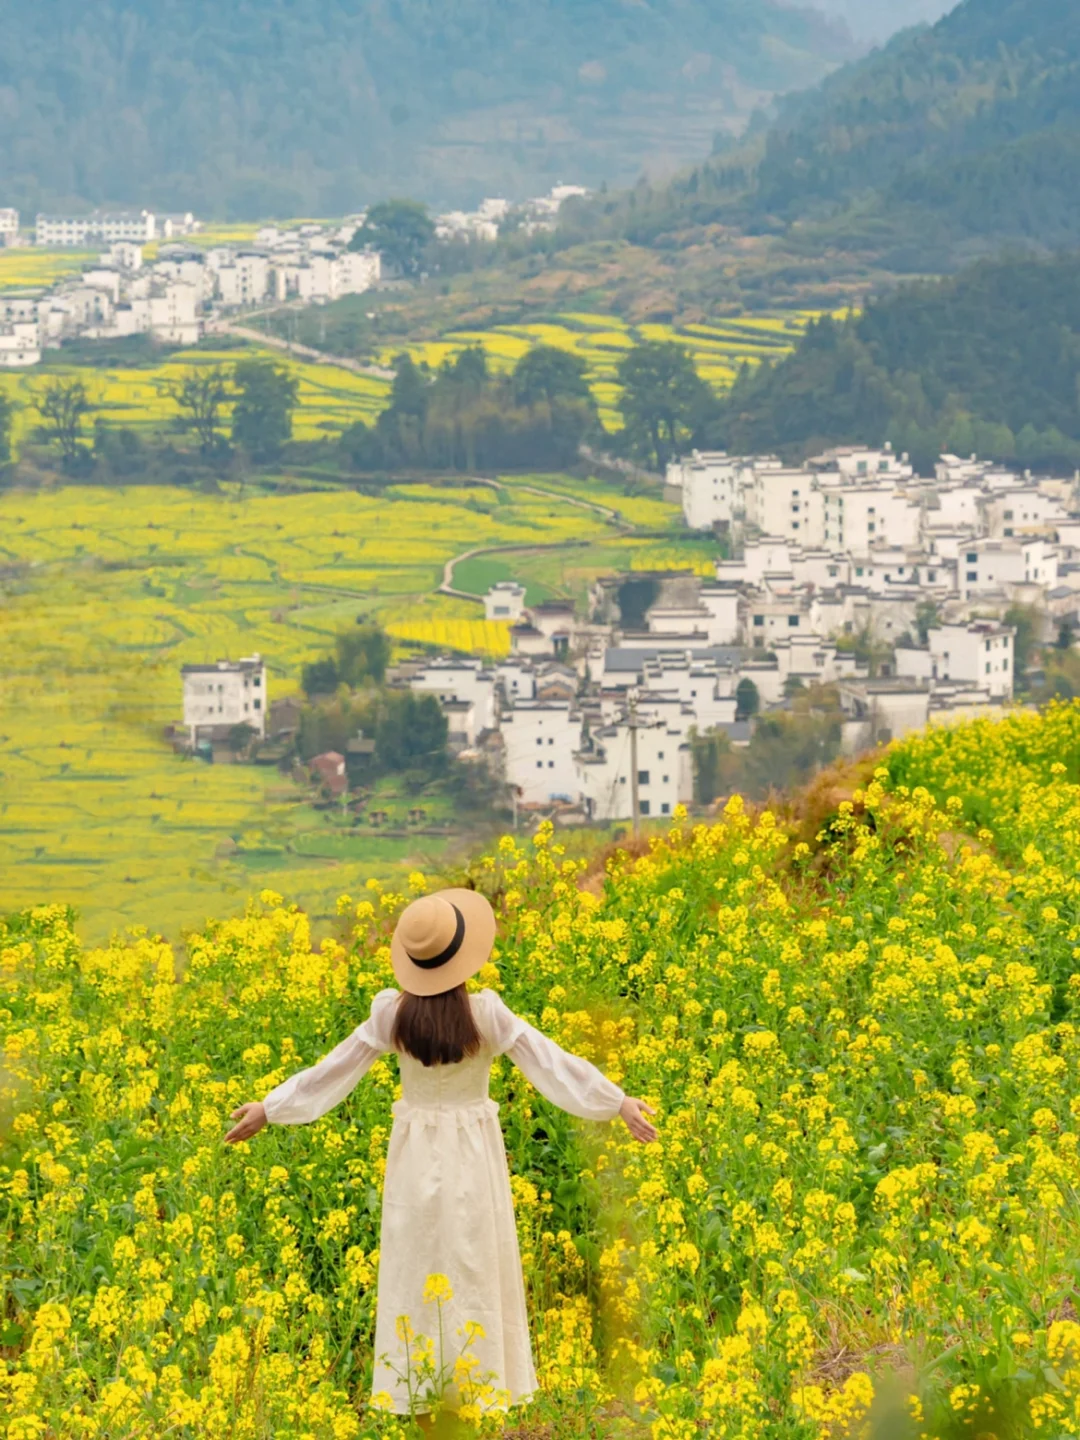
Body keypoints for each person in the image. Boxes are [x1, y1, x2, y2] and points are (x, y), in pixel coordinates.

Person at [225, 887, 658, 1421]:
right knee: (474, 1268)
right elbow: (553, 1063)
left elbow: (334, 1070)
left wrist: (270, 1108)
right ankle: (474, 1400)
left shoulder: (392, 1016)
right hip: (474, 1156)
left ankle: (426, 1405)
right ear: (463, 957)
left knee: (416, 1269)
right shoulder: (486, 1015)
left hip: (413, 1158)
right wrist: (615, 1101)